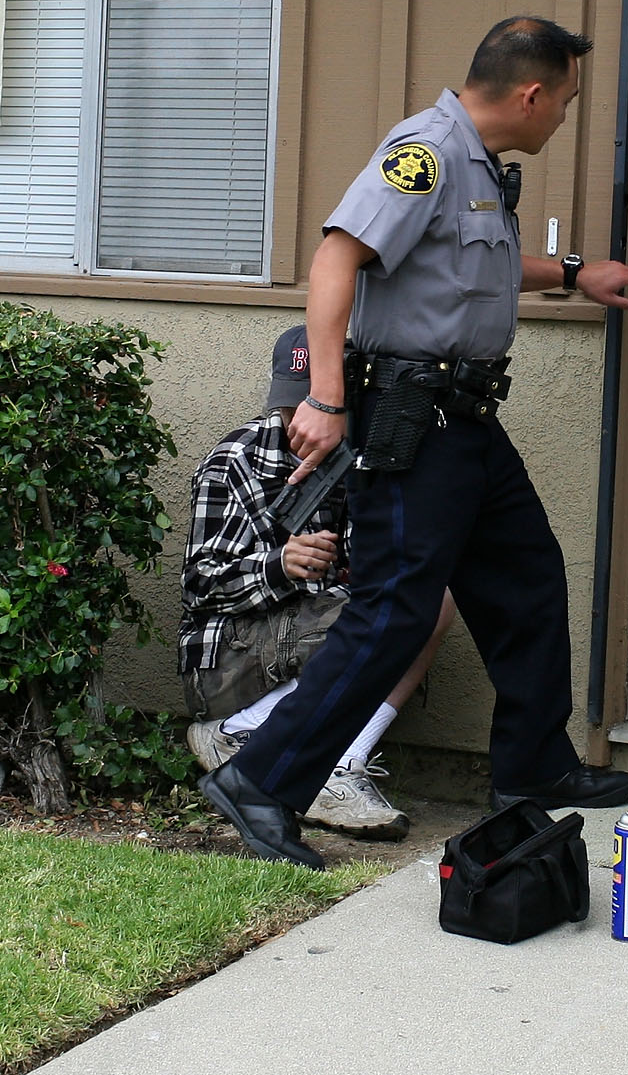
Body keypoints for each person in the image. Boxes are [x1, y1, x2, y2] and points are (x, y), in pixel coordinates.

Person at [201, 15, 628, 867]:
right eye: (563, 98)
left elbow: (463, 263)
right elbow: (338, 258)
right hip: (412, 420)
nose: (564, 114)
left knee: (525, 580)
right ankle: (261, 780)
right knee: (394, 612)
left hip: (468, 420)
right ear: (531, 93)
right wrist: (327, 398)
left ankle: (533, 770)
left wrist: (571, 273)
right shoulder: (425, 152)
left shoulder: (477, 166)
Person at [179, 324, 456, 841]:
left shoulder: (358, 460)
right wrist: (278, 564)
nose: (301, 423)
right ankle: (237, 732)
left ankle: (343, 759)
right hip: (226, 660)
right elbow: (198, 586)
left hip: (311, 634)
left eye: (318, 405)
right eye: (292, 407)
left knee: (426, 601)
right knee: (377, 612)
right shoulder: (234, 462)